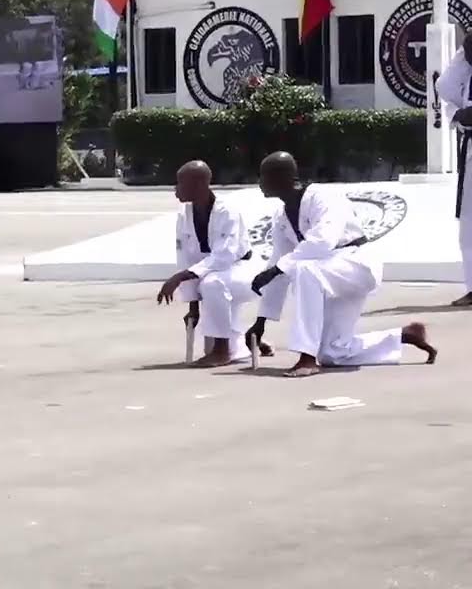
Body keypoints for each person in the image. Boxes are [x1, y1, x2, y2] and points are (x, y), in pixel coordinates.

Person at [247, 152, 437, 377]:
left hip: (355, 264)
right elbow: (277, 263)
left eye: (264, 176)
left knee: (304, 270)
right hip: (330, 275)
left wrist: (279, 268)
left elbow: (323, 241)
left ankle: (306, 358)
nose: (260, 182)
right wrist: (261, 322)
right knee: (334, 353)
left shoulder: (323, 198)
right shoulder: (281, 215)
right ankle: (405, 335)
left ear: (284, 177)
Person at [155, 161, 270, 367]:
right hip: (215, 274)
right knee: (212, 285)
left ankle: (221, 351)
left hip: (245, 273)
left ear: (199, 184)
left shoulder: (228, 212)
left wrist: (179, 277)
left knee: (212, 283)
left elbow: (224, 256)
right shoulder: (185, 214)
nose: (175, 188)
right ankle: (242, 344)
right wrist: (194, 307)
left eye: (180, 182)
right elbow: (188, 259)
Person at [432, 24, 472, 307]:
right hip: (471, 148)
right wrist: (463, 55)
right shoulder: (467, 71)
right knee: (469, 224)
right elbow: (444, 86)